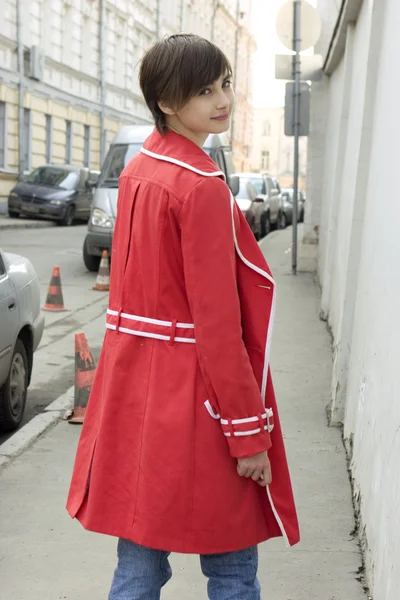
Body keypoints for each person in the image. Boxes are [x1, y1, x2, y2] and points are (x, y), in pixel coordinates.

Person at [66, 33, 300, 600]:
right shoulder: (201, 188)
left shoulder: (139, 170)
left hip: (137, 398)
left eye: (224, 84)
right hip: (201, 403)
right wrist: (249, 435)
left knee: (139, 565)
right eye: (205, 90)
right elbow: (218, 329)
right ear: (168, 102)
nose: (222, 99)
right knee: (233, 569)